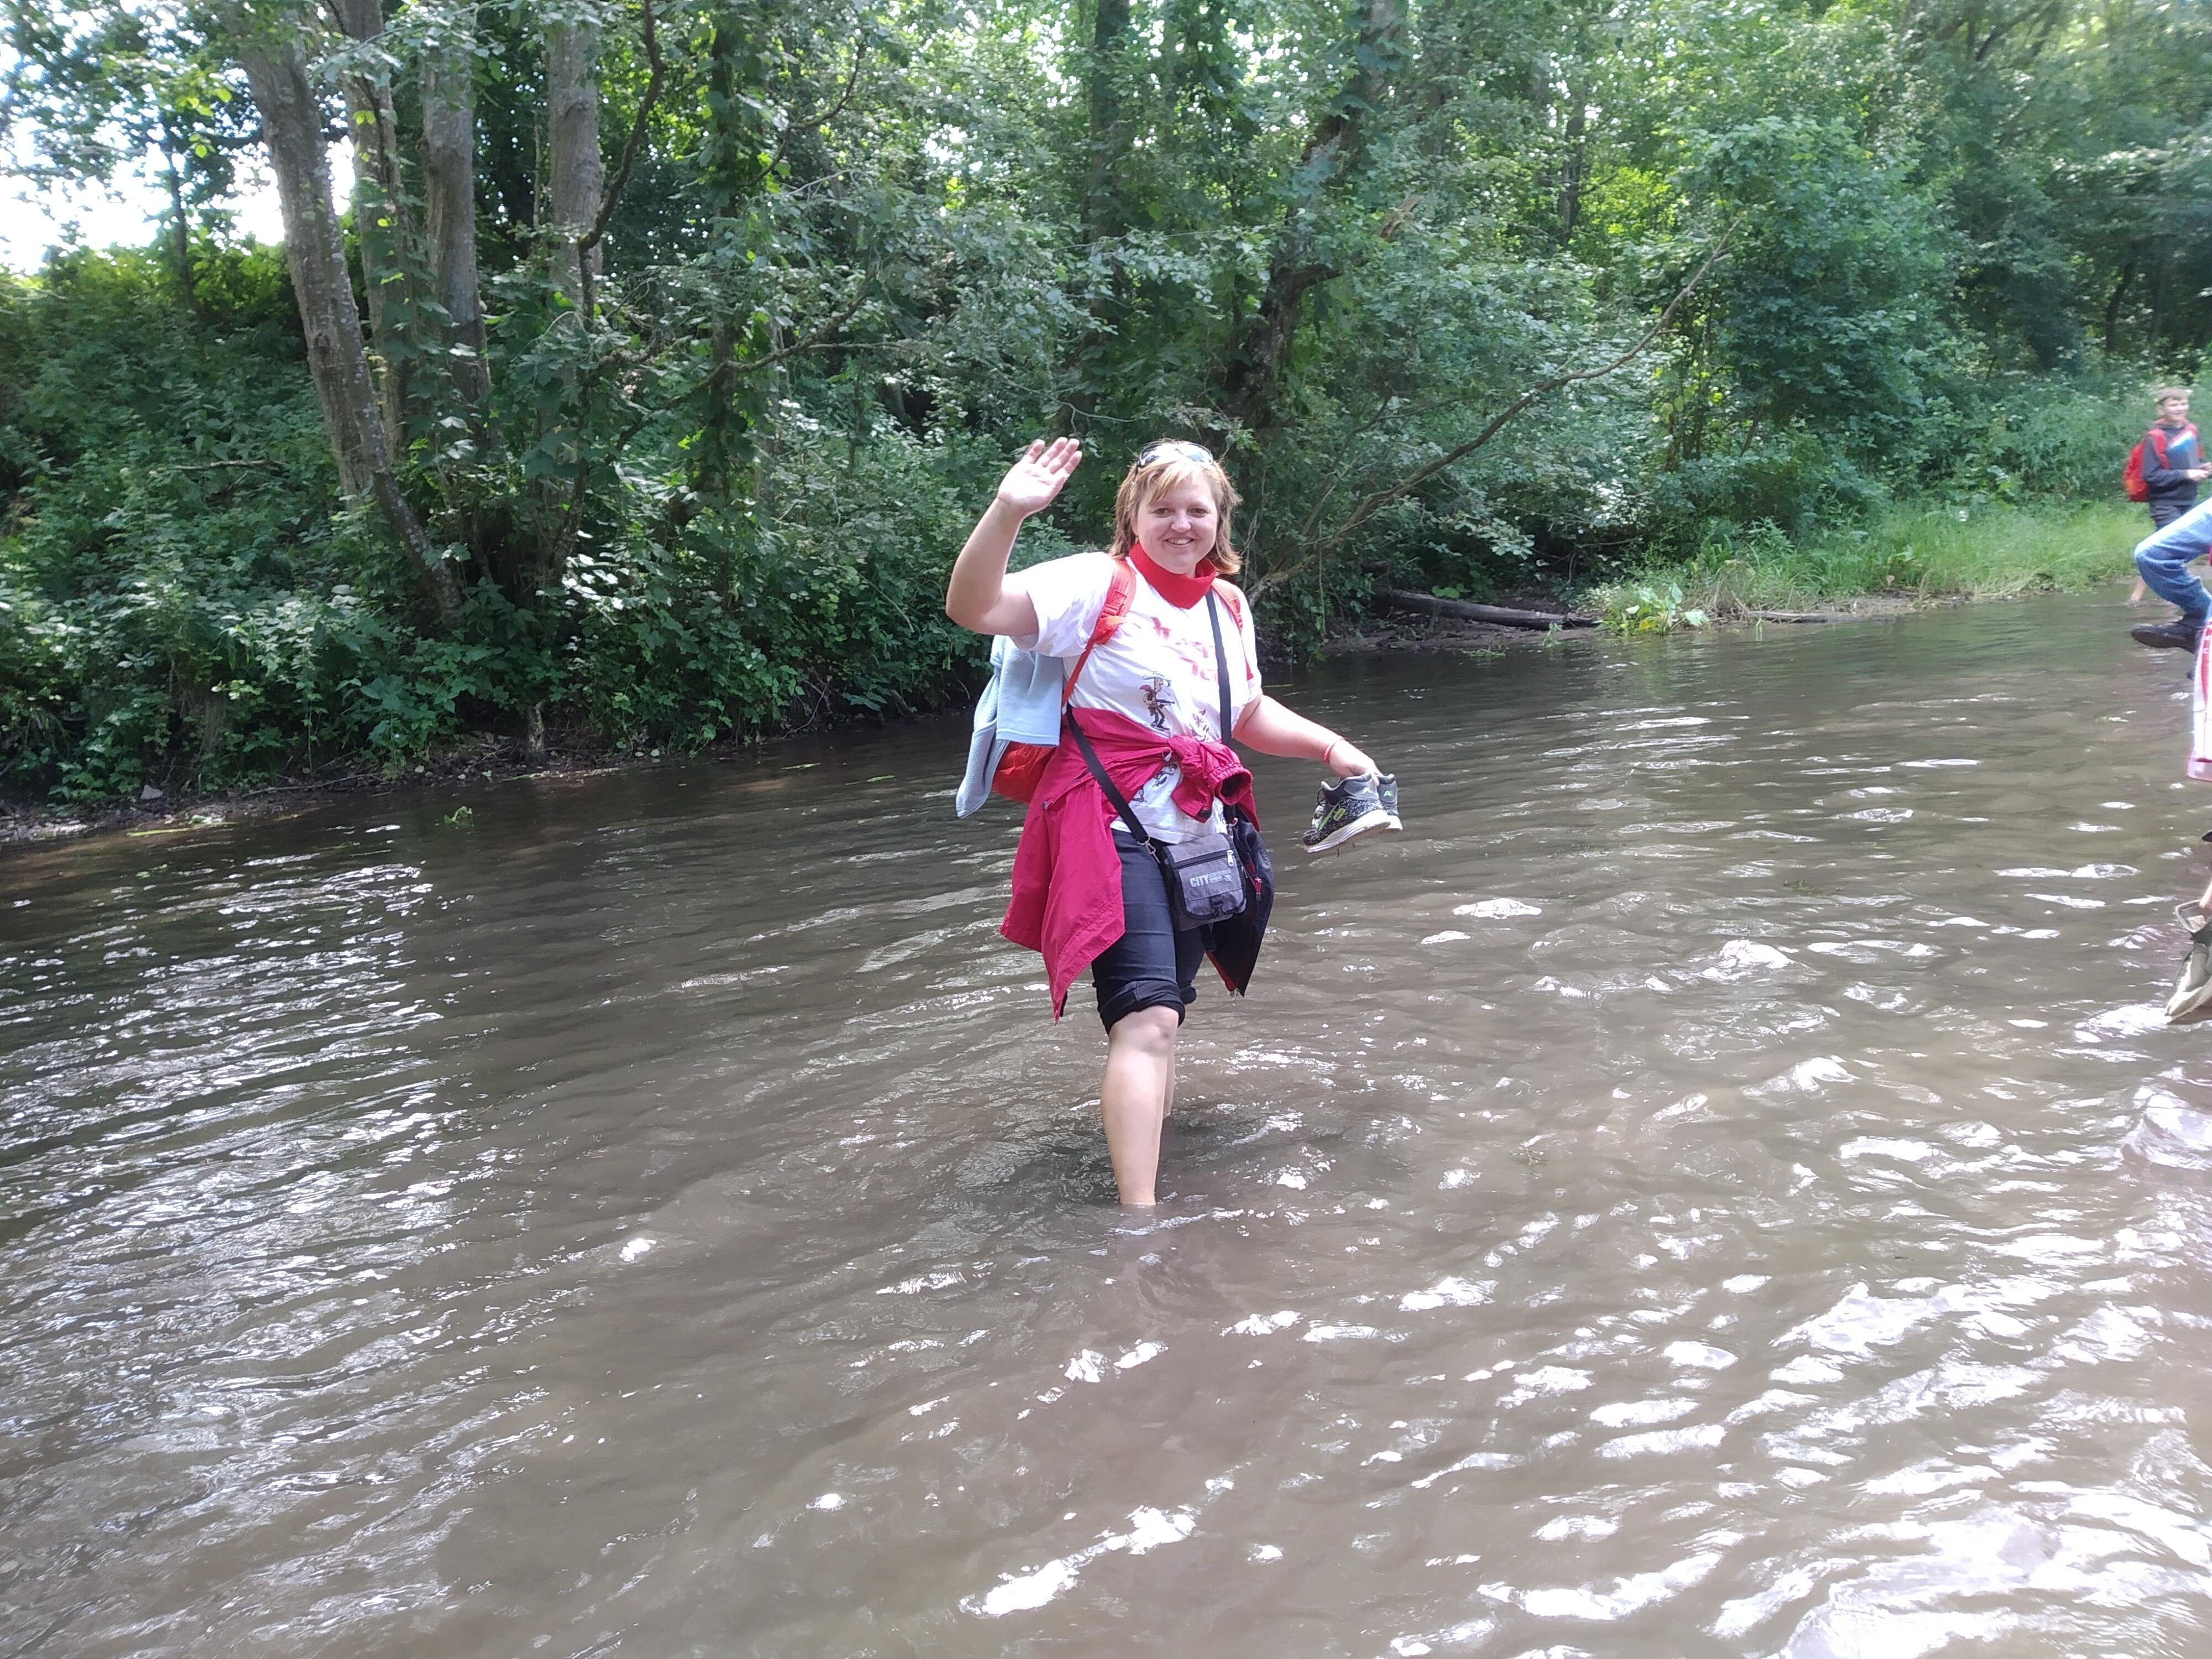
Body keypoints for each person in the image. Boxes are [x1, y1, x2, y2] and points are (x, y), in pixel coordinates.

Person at [945, 437, 1389, 1206]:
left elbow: (1242, 711)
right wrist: (1009, 509)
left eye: (1198, 510)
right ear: (1133, 516)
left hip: (1194, 832)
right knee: (1146, 1014)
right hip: (1106, 825)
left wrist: (1335, 749)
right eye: (1164, 510)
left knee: (1165, 1016)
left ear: (1221, 521)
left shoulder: (1227, 605)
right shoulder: (1093, 583)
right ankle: (1139, 1227)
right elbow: (973, 608)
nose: (1181, 525)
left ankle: (1144, 1168)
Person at [2129, 388, 2210, 644]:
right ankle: (2177, 611)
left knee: (2164, 554)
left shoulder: (2190, 431)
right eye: (2173, 405)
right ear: (2161, 409)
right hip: (2165, 503)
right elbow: (2151, 476)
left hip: (2189, 502)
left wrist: (2203, 468)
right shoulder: (2155, 437)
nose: (2179, 409)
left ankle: (2192, 616)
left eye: (2183, 404)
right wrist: (2187, 475)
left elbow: (2194, 463)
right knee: (2161, 552)